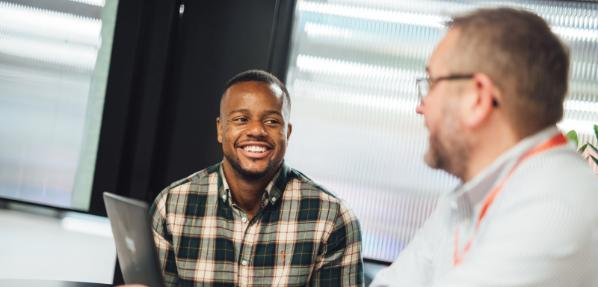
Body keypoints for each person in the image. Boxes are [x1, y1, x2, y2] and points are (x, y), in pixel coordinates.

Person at [372, 7, 598, 287]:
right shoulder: (465, 198)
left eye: (431, 84)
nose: (421, 106)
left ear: (478, 99)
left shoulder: (558, 205)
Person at [149, 70, 363, 286]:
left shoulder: (332, 218)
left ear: (287, 133)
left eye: (271, 122)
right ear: (220, 130)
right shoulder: (172, 206)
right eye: (241, 119)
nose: (256, 130)